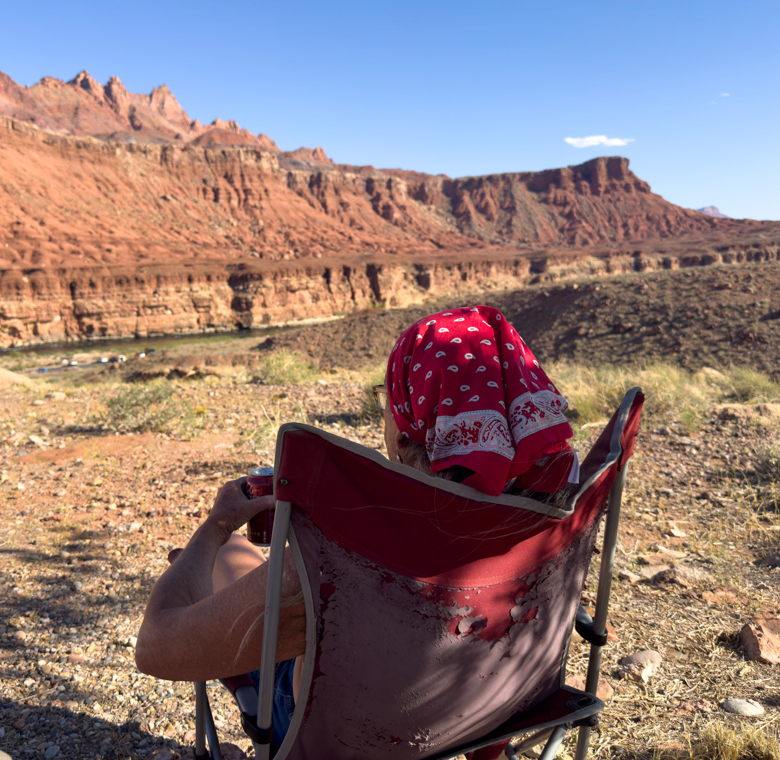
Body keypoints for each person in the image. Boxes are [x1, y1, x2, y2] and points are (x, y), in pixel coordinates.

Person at [135, 305, 577, 745]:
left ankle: (259, 690)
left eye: (389, 404)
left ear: (405, 433)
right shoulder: (548, 527)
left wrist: (217, 525)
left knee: (228, 553)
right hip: (485, 712)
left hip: (351, 738)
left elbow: (155, 649)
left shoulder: (347, 559)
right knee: (249, 572)